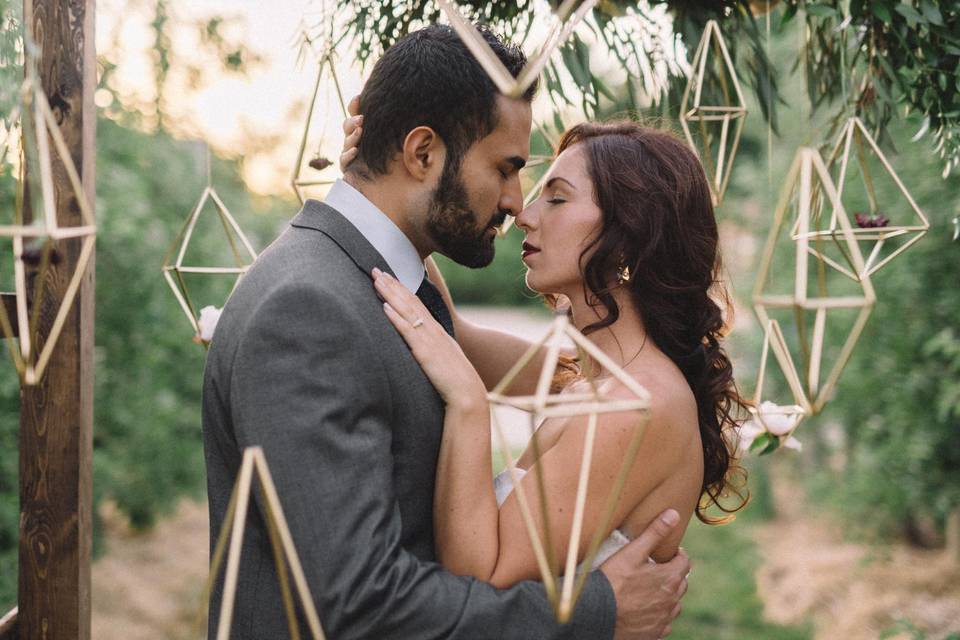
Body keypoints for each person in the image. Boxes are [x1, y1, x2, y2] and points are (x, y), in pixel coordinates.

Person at [202, 24, 689, 640]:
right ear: (423, 153)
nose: (518, 203)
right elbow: (357, 606)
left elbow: (563, 374)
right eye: (506, 168)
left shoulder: (383, 285)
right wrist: (597, 611)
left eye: (546, 190)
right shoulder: (309, 309)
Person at [354, 118, 749, 591]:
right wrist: (383, 186)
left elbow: (481, 578)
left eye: (557, 198)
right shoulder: (588, 379)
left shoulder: (638, 404)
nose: (524, 213)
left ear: (630, 236)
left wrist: (470, 405)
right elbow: (452, 333)